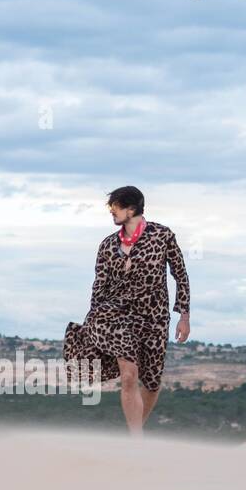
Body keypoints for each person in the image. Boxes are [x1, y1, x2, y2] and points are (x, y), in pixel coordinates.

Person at [64, 186, 191, 433]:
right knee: (129, 375)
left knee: (152, 383)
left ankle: (133, 434)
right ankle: (136, 441)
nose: (112, 211)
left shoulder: (162, 236)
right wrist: (92, 320)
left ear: (131, 208)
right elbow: (99, 285)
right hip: (115, 315)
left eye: (115, 207)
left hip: (153, 318)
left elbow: (181, 275)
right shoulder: (107, 245)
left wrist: (183, 316)